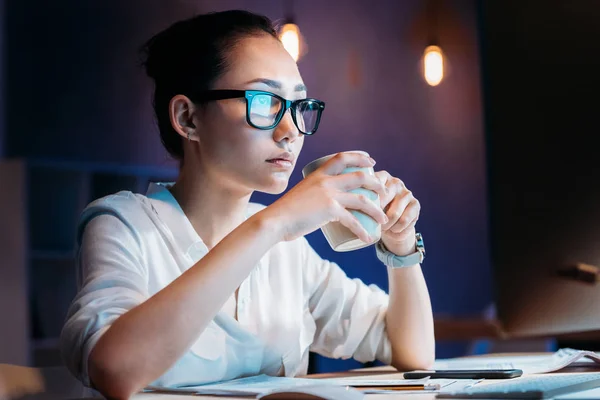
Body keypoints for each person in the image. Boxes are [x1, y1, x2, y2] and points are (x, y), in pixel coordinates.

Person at [59, 9, 435, 400]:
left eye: (297, 106)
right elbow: (115, 369)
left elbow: (413, 353)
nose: (290, 131)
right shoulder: (123, 223)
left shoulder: (289, 253)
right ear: (187, 118)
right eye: (264, 101)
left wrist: (400, 246)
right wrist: (274, 223)